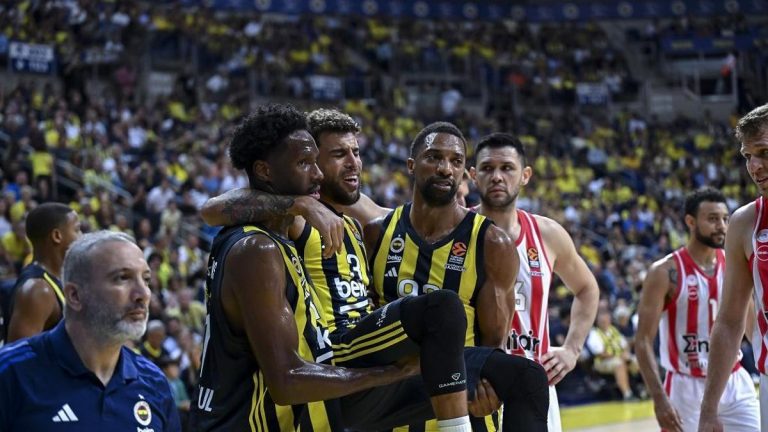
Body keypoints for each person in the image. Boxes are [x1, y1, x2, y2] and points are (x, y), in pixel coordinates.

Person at [200, 110, 549, 431]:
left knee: (527, 377)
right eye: (338, 155)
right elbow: (214, 209)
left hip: (409, 361)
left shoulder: (362, 226)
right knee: (442, 308)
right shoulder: (294, 223)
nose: (353, 163)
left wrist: (483, 376)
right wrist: (300, 204)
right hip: (340, 355)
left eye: (356, 153)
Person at [366, 122, 549, 431]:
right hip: (393, 396)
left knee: (528, 378)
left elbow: (492, 344)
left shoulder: (491, 243)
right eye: (434, 157)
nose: (445, 169)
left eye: (456, 161)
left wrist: (484, 385)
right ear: (411, 165)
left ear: (464, 172)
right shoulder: (376, 233)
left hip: (461, 395)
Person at [468, 132, 599, 432]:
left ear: (525, 175)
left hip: (534, 383)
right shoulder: (458, 231)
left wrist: (572, 350)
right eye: (487, 168)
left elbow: (587, 288)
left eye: (507, 168)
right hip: (478, 387)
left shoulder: (548, 234)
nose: (497, 176)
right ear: (473, 176)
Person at [0, 230, 181, 430]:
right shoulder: (10, 372)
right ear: (75, 296)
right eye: (122, 278)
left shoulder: (154, 382)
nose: (143, 294)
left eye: (145, 279)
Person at [638, 187, 759, 431]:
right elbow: (642, 341)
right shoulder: (664, 272)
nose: (722, 226)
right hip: (686, 386)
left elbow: (751, 326)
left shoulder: (734, 263)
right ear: (690, 222)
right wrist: (659, 398)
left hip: (734, 379)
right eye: (712, 219)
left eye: (725, 219)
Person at [700, 103, 768, 432]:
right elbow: (729, 322)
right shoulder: (745, 223)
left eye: (764, 152)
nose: (754, 166)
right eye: (747, 156)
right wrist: (708, 409)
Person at [4, 202, 81, 342]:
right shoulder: (38, 290)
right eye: (77, 230)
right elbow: (19, 353)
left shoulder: (58, 278)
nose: (81, 236)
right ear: (57, 236)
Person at [586, 308, 638, 400]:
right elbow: (600, 354)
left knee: (638, 361)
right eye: (602, 321)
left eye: (607, 320)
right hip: (602, 362)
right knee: (619, 364)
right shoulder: (594, 334)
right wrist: (619, 356)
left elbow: (625, 345)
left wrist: (626, 353)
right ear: (597, 322)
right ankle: (627, 394)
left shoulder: (614, 330)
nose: (605, 322)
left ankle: (644, 390)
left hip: (619, 358)